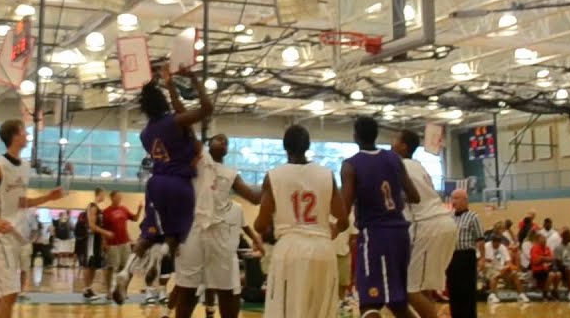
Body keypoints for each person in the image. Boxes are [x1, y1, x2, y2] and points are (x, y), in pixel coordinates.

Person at [112, 64, 213, 305]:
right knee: (176, 234)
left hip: (155, 183)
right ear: (163, 103)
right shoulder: (174, 122)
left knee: (149, 232)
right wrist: (193, 80)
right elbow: (207, 109)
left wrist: (168, 86)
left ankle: (126, 271)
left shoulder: (145, 135)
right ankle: (159, 259)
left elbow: (181, 123)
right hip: (179, 183)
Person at [0, 118, 62, 318]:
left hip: (13, 235)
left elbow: (22, 203)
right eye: (24, 132)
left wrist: (48, 197)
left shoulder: (24, 166)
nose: (27, 135)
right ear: (15, 136)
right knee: (11, 291)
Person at [255, 125, 346, 318]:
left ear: (284, 147)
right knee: (319, 312)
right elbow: (343, 220)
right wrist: (333, 231)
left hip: (290, 248)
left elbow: (260, 225)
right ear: (308, 146)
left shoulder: (274, 176)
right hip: (322, 248)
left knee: (286, 312)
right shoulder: (326, 174)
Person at [173, 133, 262, 318]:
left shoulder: (231, 173)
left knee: (228, 288)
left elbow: (254, 198)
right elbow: (188, 131)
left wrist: (269, 184)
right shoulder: (198, 161)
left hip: (219, 234)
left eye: (227, 142)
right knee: (187, 288)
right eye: (220, 139)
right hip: (194, 228)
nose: (224, 142)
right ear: (208, 143)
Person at [340, 116, 419, 318]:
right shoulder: (394, 159)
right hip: (401, 234)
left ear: (355, 136)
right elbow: (414, 196)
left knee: (369, 303)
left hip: (374, 236)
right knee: (397, 303)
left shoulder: (351, 165)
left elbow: (344, 207)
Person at [390, 130, 457, 318]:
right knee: (423, 288)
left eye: (395, 139)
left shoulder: (400, 166)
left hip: (429, 225)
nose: (391, 142)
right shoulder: (416, 165)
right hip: (440, 223)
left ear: (403, 146)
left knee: (411, 290)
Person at [447, 189, 484, 318]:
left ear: (465, 200)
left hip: (467, 256)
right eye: (452, 198)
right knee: (453, 289)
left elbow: (480, 239)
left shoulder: (474, 217)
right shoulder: (449, 217)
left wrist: (482, 258)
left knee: (467, 290)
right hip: (452, 256)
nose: (453, 201)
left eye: (456, 198)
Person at [101, 190, 141, 290]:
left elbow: (135, 218)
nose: (120, 199)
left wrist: (140, 209)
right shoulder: (106, 212)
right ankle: (108, 291)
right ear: (112, 198)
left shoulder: (124, 209)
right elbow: (103, 229)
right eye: (118, 197)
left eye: (121, 197)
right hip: (112, 244)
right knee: (111, 267)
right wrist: (104, 242)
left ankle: (120, 290)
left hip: (125, 243)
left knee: (123, 267)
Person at [78, 201, 112, 301]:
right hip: (91, 240)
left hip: (97, 240)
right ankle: (87, 289)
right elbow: (92, 227)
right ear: (99, 194)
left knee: (93, 266)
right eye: (102, 194)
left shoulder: (98, 209)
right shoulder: (92, 207)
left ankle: (89, 288)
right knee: (89, 265)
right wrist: (105, 233)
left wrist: (103, 240)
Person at [483, 233, 526, 303]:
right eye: (496, 243)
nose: (497, 245)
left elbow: (508, 261)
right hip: (488, 267)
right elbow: (484, 260)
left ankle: (521, 295)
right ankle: (492, 296)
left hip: (500, 268)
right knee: (495, 275)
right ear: (492, 242)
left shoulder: (502, 247)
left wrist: (506, 267)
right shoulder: (486, 246)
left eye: (499, 243)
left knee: (514, 274)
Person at [529, 231, 560, 300]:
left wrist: (542, 258)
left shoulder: (547, 248)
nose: (545, 240)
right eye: (542, 238)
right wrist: (545, 259)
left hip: (547, 269)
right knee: (551, 275)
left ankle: (554, 291)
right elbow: (535, 261)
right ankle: (545, 293)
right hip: (538, 270)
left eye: (545, 238)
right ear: (538, 240)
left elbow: (552, 258)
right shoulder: (534, 248)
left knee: (558, 274)